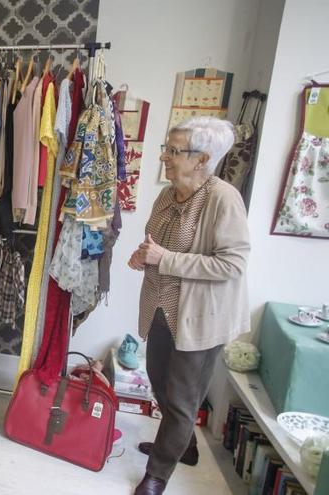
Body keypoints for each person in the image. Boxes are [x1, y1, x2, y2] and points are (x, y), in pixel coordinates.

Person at [128, 117, 250, 495]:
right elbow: (156, 248)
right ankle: (186, 445)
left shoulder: (222, 197)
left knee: (182, 401)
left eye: (173, 150)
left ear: (202, 159)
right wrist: (142, 256)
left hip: (199, 319)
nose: (164, 155)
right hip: (161, 309)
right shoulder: (166, 195)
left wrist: (165, 260)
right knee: (161, 387)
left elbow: (233, 263)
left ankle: (157, 474)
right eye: (167, 147)